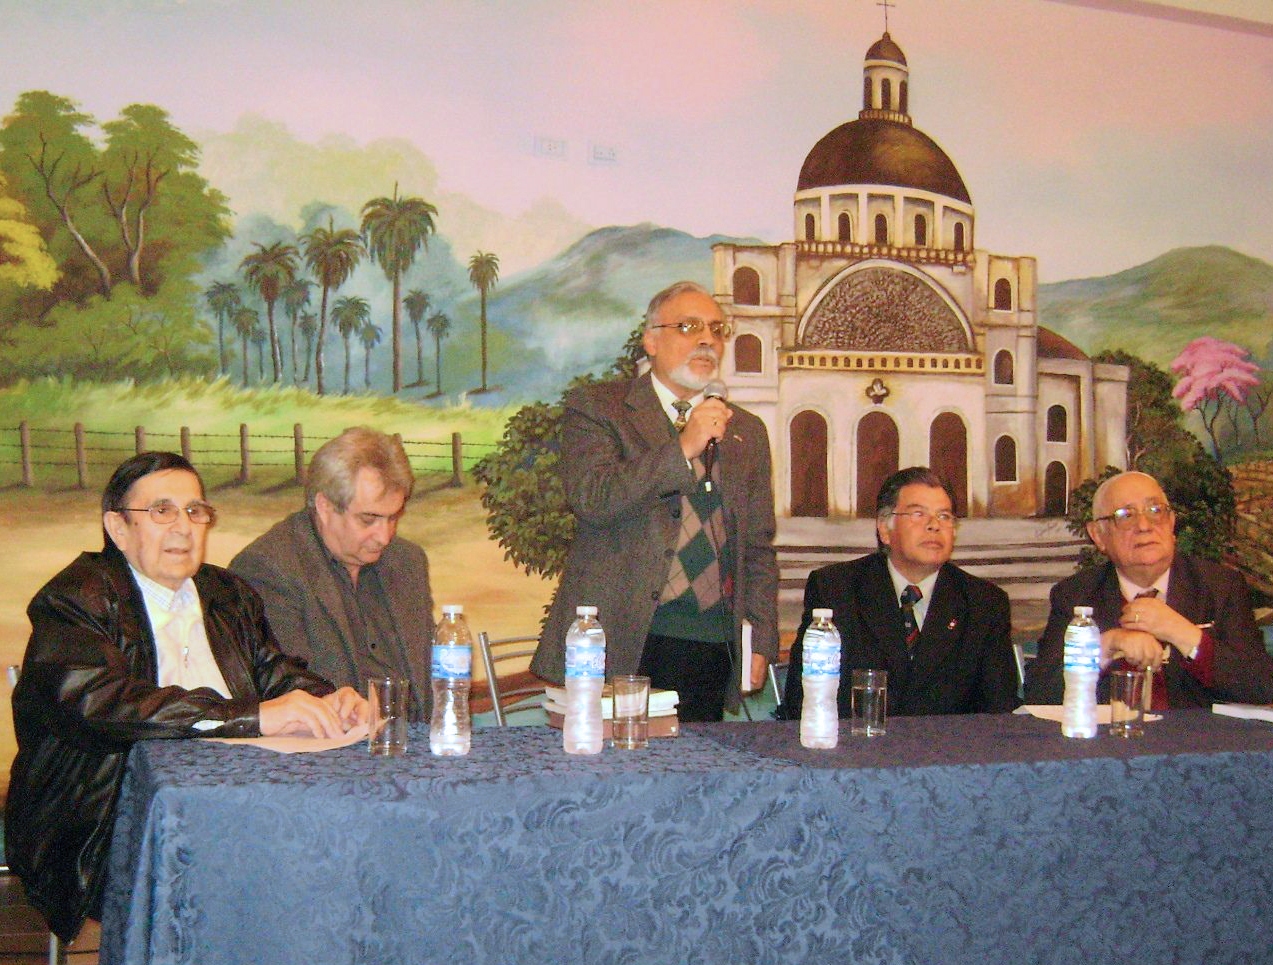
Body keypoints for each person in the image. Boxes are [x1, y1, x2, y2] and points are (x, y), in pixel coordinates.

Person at [6, 452, 366, 944]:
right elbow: (101, 704)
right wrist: (247, 717)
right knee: (269, 859)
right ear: (118, 527)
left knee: (328, 836)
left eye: (195, 511)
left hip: (234, 794)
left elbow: (272, 671)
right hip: (107, 817)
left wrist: (326, 697)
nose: (183, 527)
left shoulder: (226, 592)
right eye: (162, 511)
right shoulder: (76, 598)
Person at [530, 280, 778, 721]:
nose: (707, 339)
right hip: (619, 637)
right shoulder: (599, 408)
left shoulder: (747, 431)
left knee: (702, 765)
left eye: (717, 329)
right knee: (609, 765)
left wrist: (760, 639)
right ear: (651, 340)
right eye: (689, 326)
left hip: (710, 642)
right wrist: (683, 448)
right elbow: (593, 497)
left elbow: (757, 547)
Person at [230, 426, 436, 721]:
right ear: (325, 506)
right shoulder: (269, 570)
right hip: (331, 744)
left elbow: (430, 684)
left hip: (414, 738)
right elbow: (291, 695)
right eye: (369, 519)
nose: (385, 536)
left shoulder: (407, 561)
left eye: (393, 517)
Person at [783, 467, 1019, 718]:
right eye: (918, 514)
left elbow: (999, 712)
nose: (934, 526)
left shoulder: (984, 603)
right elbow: (804, 700)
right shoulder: (836, 589)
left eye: (944, 516)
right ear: (885, 529)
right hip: (858, 739)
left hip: (951, 742)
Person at [1025, 470, 1273, 707]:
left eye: (1156, 511)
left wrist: (1181, 632)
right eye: (1126, 515)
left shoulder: (1220, 586)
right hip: (1110, 735)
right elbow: (1039, 694)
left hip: (1199, 734)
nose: (1144, 525)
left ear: (1172, 523)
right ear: (1098, 535)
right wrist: (1106, 645)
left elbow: (1261, 686)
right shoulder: (1076, 595)